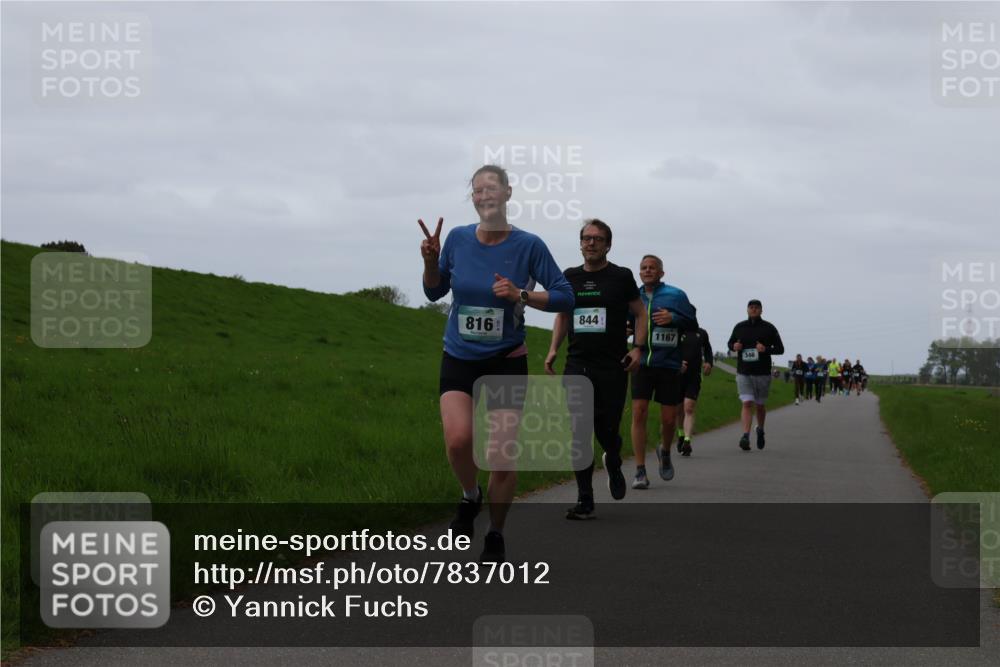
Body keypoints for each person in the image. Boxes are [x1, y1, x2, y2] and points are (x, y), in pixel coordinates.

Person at [420, 164, 574, 561]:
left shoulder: (529, 245)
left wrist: (522, 295)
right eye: (478, 190)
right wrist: (432, 262)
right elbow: (435, 292)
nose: (485, 195)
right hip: (459, 356)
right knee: (459, 440)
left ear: (508, 193)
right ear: (473, 198)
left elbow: (565, 296)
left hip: (506, 359)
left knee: (502, 455)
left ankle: (495, 532)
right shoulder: (457, 239)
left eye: (492, 188)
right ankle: (470, 496)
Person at [545, 219, 646, 520]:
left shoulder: (621, 276)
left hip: (612, 365)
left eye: (598, 239)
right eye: (587, 238)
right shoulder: (570, 277)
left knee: (607, 429)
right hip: (577, 364)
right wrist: (553, 348)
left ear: (608, 245)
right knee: (580, 431)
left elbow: (640, 314)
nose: (591, 243)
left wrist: (638, 348)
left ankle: (613, 460)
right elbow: (563, 316)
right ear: (580, 243)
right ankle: (585, 499)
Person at [630, 255, 697, 487]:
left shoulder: (676, 295)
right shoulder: (633, 296)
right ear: (639, 272)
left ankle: (665, 451)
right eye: (643, 268)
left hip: (668, 364)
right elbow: (627, 321)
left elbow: (693, 324)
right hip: (641, 363)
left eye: (652, 268)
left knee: (669, 420)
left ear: (661, 273)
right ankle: (640, 470)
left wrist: (673, 318)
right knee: (639, 413)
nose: (647, 271)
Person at [727, 299, 785, 451]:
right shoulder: (739, 327)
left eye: (756, 308)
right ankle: (745, 436)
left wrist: (765, 349)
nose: (753, 310)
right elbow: (730, 343)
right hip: (744, 371)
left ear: (761, 310)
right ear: (747, 310)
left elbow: (780, 349)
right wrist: (734, 346)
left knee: (759, 405)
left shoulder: (769, 328)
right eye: (751, 307)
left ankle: (760, 429)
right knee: (747, 403)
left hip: (762, 373)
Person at [674, 323, 713, 456]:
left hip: (694, 376)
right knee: (678, 409)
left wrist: (709, 362)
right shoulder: (677, 330)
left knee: (689, 407)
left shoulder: (702, 333)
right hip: (677, 375)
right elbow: (669, 350)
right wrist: (677, 362)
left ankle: (687, 441)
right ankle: (681, 434)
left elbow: (708, 349)